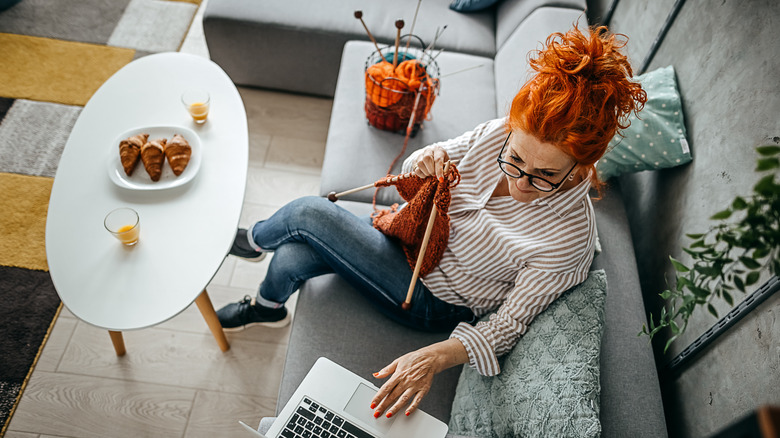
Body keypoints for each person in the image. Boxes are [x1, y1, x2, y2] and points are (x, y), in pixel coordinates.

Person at [216, 24, 646, 420]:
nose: (520, 183)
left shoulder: (568, 239)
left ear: (582, 167)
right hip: (410, 238)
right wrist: (429, 159)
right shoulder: (499, 133)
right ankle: (268, 308)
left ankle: (253, 241)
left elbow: (507, 325)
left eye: (545, 176)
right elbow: (420, 164)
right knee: (292, 256)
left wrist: (435, 357)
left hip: (430, 298)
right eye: (515, 160)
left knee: (306, 212)